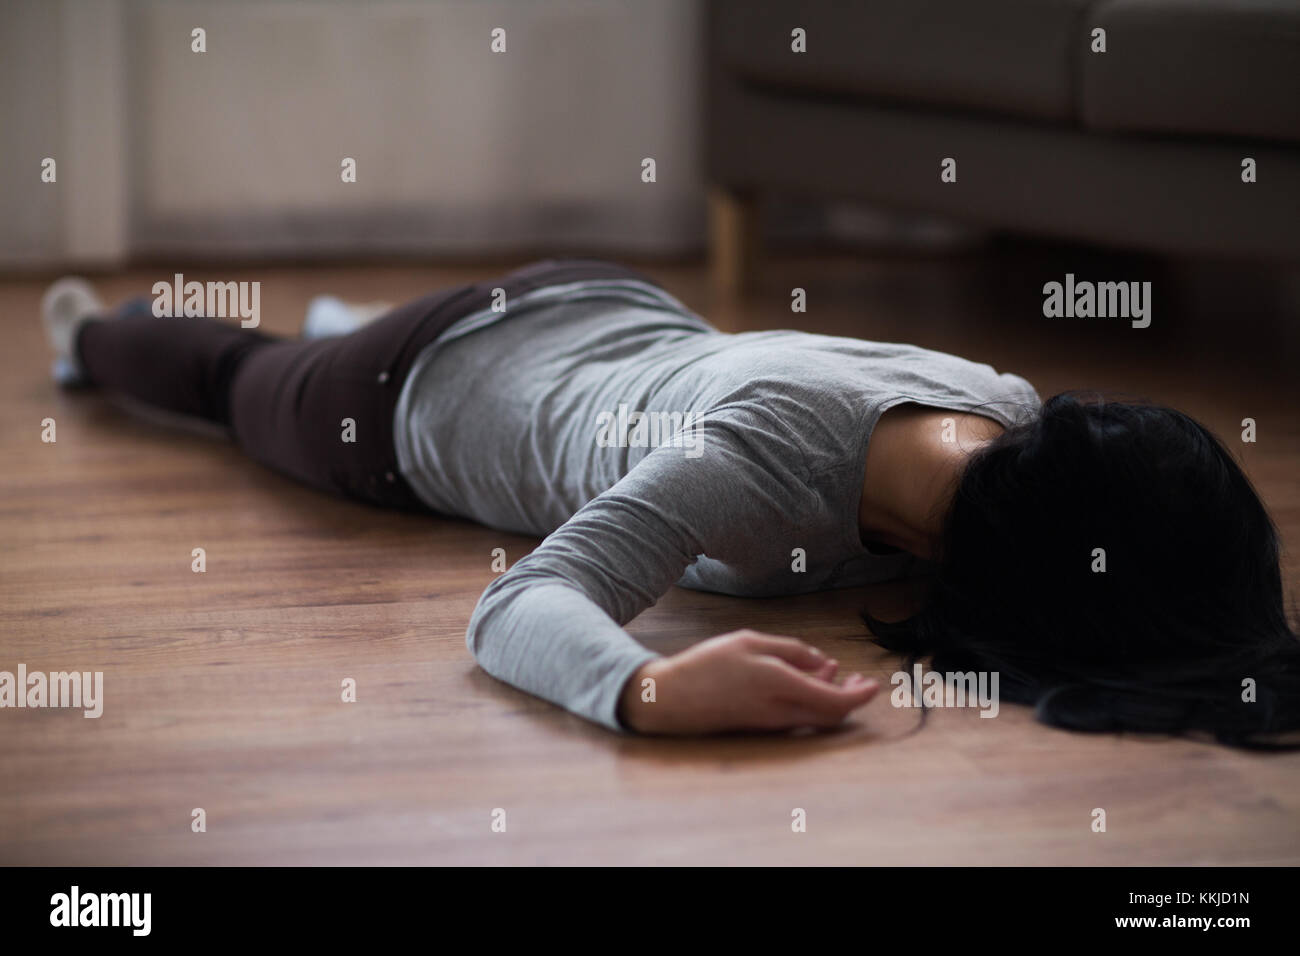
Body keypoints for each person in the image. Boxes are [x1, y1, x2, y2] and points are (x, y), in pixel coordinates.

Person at [40, 259, 1299, 748]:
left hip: (608, 309)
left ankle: (327, 328)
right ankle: (94, 334)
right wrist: (644, 687)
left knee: (306, 350)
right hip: (405, 398)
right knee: (237, 377)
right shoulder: (742, 472)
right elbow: (521, 601)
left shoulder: (1013, 410)